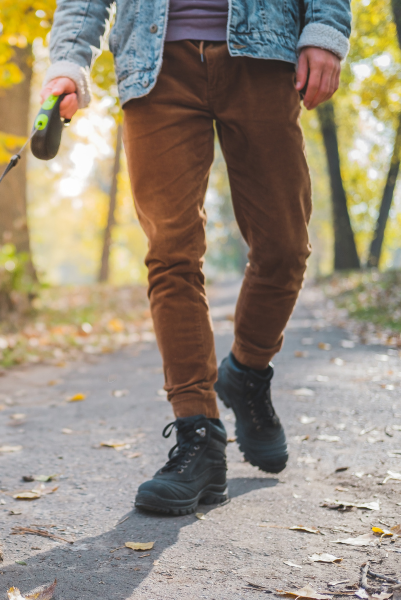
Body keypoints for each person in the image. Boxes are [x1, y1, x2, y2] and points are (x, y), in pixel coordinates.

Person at [40, 0, 351, 515]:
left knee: (284, 247)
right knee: (171, 254)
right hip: (153, 64)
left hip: (264, 53)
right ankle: (198, 433)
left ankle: (247, 372)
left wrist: (325, 26)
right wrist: (69, 62)